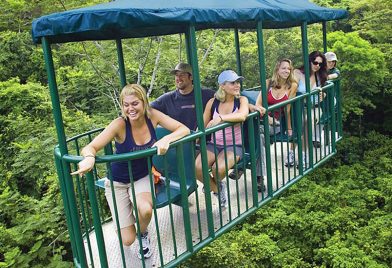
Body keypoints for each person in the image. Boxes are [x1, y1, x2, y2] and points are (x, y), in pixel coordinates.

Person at [71, 84, 190, 259]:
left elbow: (183, 129)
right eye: (126, 105)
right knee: (127, 240)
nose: (130, 109)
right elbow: (91, 147)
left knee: (146, 210)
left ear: (144, 102)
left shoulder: (153, 116)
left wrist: (166, 139)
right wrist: (89, 157)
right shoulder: (120, 124)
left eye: (134, 103)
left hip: (142, 176)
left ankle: (143, 233)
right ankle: (124, 220)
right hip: (117, 182)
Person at [195, 70, 249, 208]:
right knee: (198, 167)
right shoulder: (212, 103)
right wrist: (195, 138)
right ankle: (217, 188)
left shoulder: (241, 100)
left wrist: (221, 118)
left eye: (238, 82)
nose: (237, 85)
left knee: (218, 169)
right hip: (214, 143)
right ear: (222, 86)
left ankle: (213, 184)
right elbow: (203, 124)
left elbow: (242, 116)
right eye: (233, 83)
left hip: (233, 145)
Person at [254, 59, 298, 190]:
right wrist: (267, 117)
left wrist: (289, 127)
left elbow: (287, 109)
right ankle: (259, 177)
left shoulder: (292, 86)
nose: (286, 71)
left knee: (254, 133)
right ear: (277, 70)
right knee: (259, 136)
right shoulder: (268, 83)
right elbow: (258, 104)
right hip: (262, 120)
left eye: (289, 69)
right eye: (284, 68)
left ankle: (243, 168)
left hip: (277, 124)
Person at [285, 51, 328, 167]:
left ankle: (303, 154)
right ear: (309, 61)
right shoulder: (298, 73)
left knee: (307, 122)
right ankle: (291, 152)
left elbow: (322, 91)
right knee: (299, 124)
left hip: (314, 108)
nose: (317, 66)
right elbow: (292, 90)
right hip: (299, 107)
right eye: (315, 62)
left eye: (320, 64)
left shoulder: (320, 76)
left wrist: (322, 95)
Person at [151, 62, 215, 131]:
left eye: (182, 75)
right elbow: (147, 109)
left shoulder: (207, 94)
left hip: (204, 140)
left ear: (191, 77)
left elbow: (224, 101)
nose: (178, 78)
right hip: (180, 140)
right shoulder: (168, 98)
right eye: (176, 75)